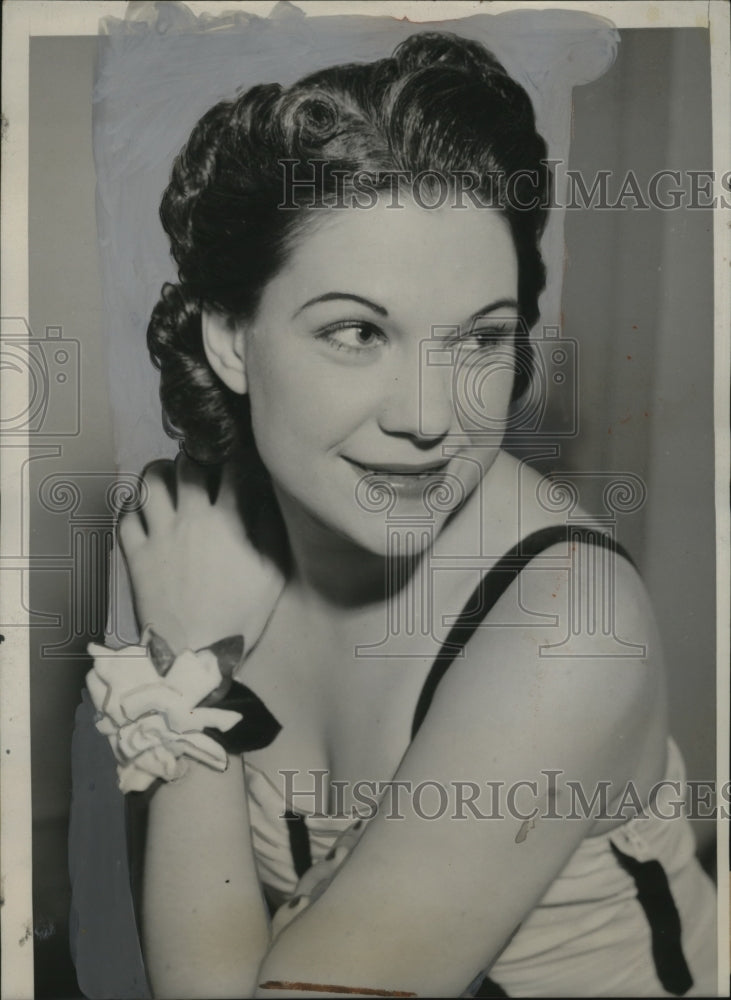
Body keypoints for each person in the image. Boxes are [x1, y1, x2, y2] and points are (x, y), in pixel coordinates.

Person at [74, 31, 717, 999]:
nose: (427, 417)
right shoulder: (185, 540)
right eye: (356, 331)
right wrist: (188, 660)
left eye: (477, 340)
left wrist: (192, 670)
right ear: (232, 338)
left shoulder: (570, 631)